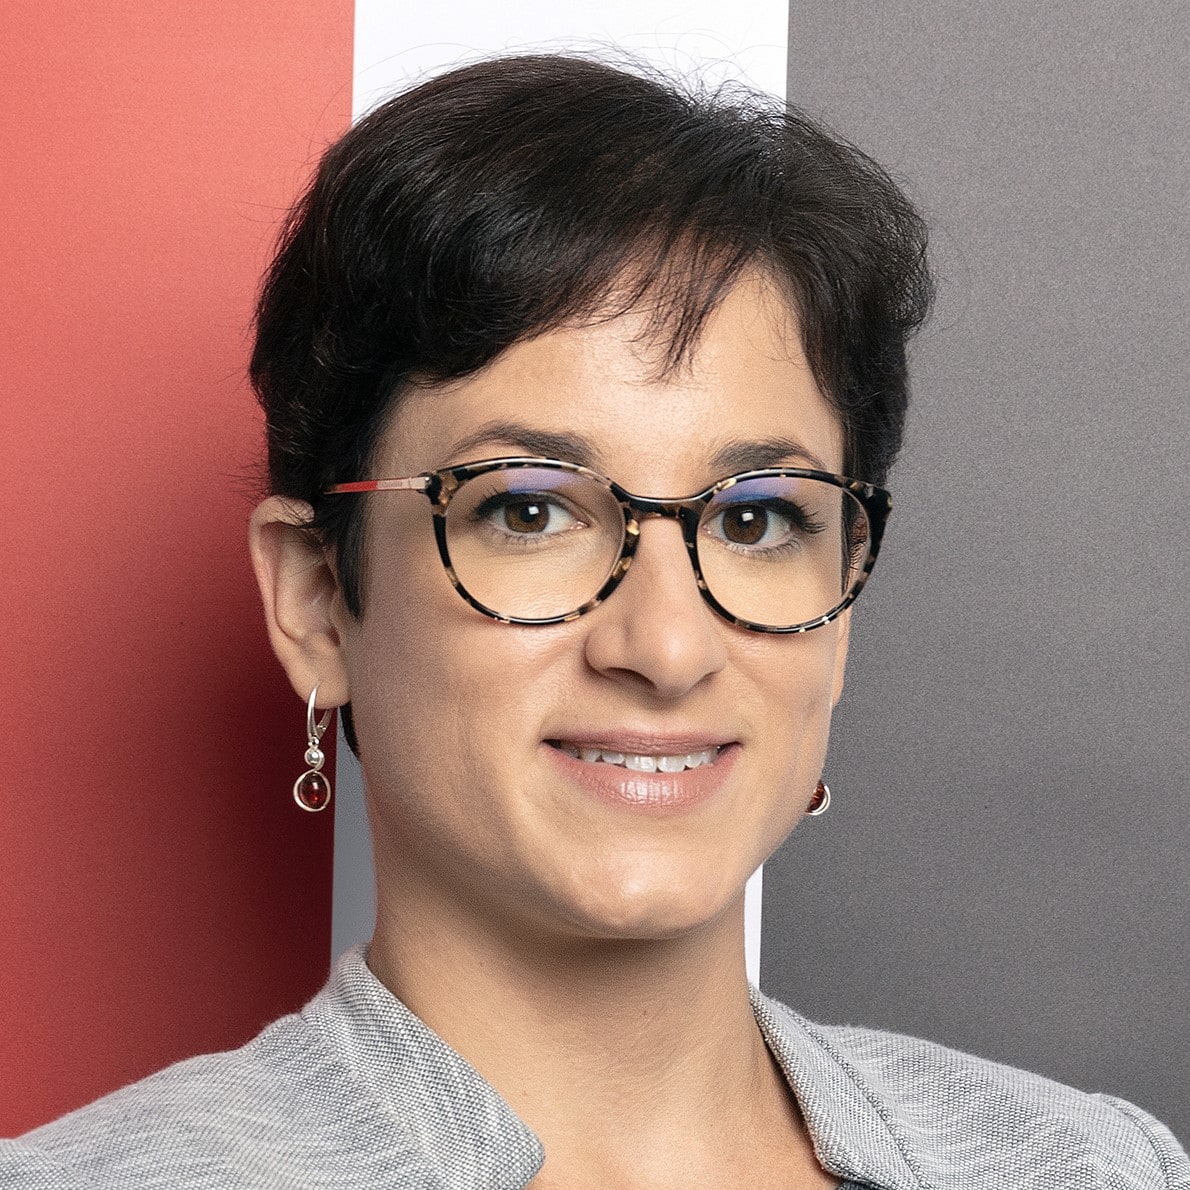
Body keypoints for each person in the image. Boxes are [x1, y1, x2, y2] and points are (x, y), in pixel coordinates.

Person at [2, 53, 1186, 1190]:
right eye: (527, 509)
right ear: (315, 598)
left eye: (756, 519)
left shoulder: (1097, 1167)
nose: (664, 647)